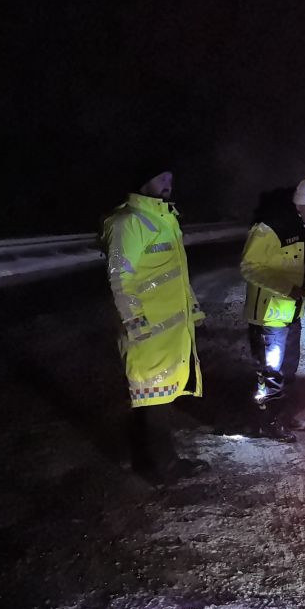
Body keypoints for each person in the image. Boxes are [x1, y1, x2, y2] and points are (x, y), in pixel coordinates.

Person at [101, 165, 208, 483]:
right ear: (143, 179)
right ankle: (162, 467)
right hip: (147, 331)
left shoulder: (165, 217)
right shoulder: (127, 223)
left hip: (170, 329)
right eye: (162, 177)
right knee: (153, 400)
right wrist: (135, 322)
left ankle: (150, 460)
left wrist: (193, 310)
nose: (168, 184)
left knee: (159, 396)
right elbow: (120, 277)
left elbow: (176, 272)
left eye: (171, 178)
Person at [239, 178, 305, 442]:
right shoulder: (269, 228)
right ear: (301, 205)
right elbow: (249, 267)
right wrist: (287, 288)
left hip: (293, 312)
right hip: (268, 316)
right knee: (271, 371)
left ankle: (282, 415)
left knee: (289, 368)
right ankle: (268, 421)